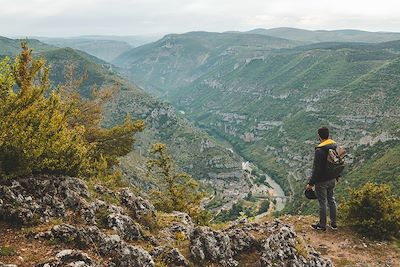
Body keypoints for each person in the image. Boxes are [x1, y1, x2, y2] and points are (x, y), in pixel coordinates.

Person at [306, 127, 338, 231]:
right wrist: (337, 175)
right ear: (328, 135)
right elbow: (337, 162)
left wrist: (311, 183)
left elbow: (317, 169)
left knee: (322, 203)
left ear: (319, 136)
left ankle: (322, 225)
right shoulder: (334, 146)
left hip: (322, 181)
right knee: (331, 200)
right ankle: (333, 224)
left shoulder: (320, 150)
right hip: (332, 179)